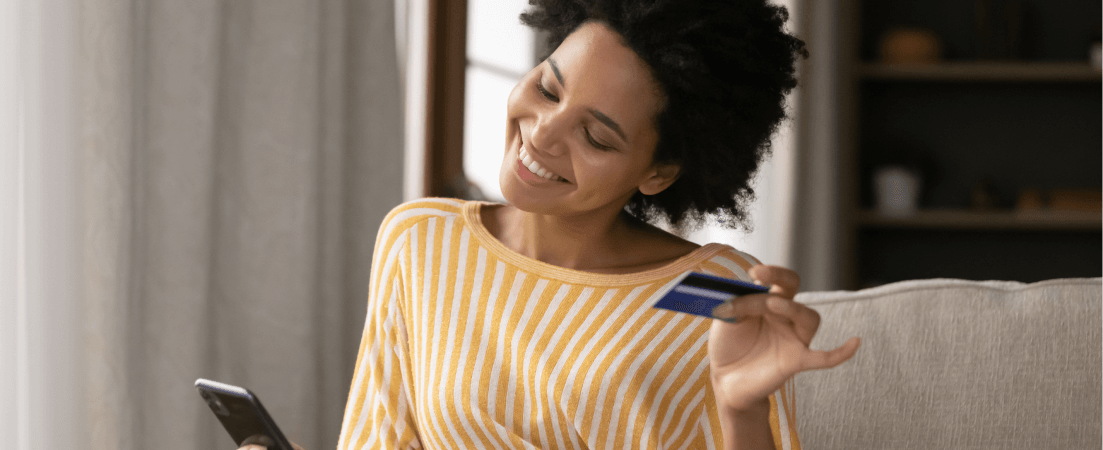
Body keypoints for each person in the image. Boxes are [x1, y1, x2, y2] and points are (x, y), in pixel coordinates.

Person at [243, 0, 859, 449]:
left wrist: (742, 411)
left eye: (595, 135)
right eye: (547, 88)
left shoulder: (714, 290)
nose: (542, 133)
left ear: (659, 172)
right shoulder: (422, 241)